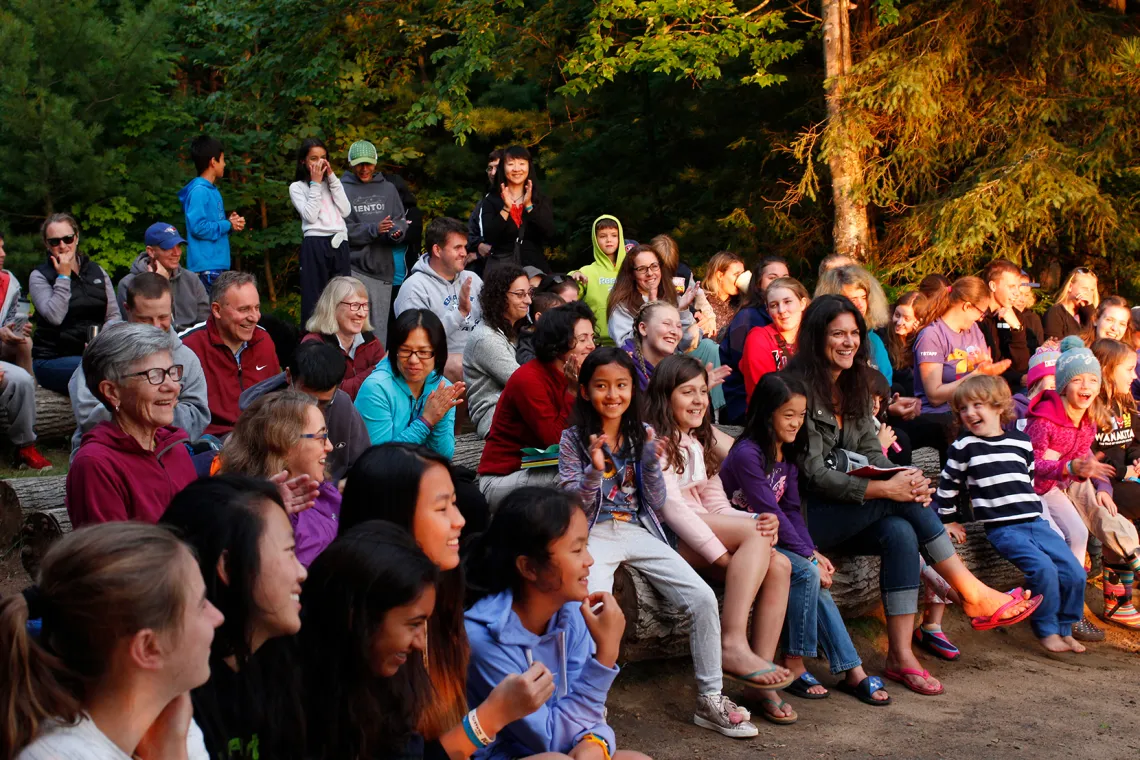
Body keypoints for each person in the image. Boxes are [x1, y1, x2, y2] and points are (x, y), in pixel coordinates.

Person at [789, 295, 1040, 697]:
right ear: (817, 337)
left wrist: (904, 476)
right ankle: (971, 592)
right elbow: (813, 474)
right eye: (838, 334)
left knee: (900, 533)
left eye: (854, 333)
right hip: (805, 518)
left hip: (849, 510)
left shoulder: (854, 384)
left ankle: (900, 655)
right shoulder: (796, 388)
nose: (849, 342)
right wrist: (887, 488)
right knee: (895, 500)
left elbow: (871, 451)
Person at [559, 347, 758, 739]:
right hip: (593, 533)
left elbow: (655, 498)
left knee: (702, 598)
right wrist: (594, 473)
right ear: (585, 391)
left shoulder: (642, 435)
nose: (613, 394)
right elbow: (571, 504)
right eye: (601, 386)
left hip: (639, 530)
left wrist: (650, 462)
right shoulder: (573, 438)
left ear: (633, 390)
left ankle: (710, 699)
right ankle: (585, 706)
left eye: (621, 385)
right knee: (591, 606)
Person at [301, 521, 553, 759]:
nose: (421, 643)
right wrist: (493, 714)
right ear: (360, 617)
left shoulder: (386, 684)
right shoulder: (298, 700)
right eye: (413, 624)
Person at [721, 372, 891, 706]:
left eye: (801, 415)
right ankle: (802, 662)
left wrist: (811, 550)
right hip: (742, 540)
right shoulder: (748, 454)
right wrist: (809, 557)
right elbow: (769, 509)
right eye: (788, 415)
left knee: (812, 572)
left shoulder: (787, 453)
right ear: (767, 413)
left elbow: (790, 510)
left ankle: (846, 667)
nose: (797, 423)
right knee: (807, 572)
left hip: (770, 536)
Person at [645, 356, 799, 725]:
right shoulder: (658, 444)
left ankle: (758, 677)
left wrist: (752, 519)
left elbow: (715, 502)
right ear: (665, 396)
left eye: (703, 391)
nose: (699, 399)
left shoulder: (697, 440)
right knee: (756, 538)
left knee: (780, 564)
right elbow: (672, 509)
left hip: (702, 527)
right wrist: (720, 557)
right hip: (671, 535)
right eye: (687, 392)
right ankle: (732, 643)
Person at [0, 522, 223, 760]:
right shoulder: (58, 756)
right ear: (148, 647)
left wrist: (173, 750)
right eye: (201, 605)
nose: (218, 617)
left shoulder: (173, 724)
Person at [464, 487, 653, 759]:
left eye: (586, 546)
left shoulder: (571, 613)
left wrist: (595, 742)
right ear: (529, 567)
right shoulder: (484, 639)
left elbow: (587, 712)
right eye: (576, 550)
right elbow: (548, 739)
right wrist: (605, 656)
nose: (589, 560)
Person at [337, 446, 491, 741]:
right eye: (442, 508)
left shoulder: (446, 590)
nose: (459, 520)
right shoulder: (363, 627)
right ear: (394, 517)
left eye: (455, 503)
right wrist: (490, 719)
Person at [935, 376, 1090, 653]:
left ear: (998, 406)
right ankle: (1047, 631)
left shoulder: (1021, 442)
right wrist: (948, 519)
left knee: (1074, 571)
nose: (969, 413)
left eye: (977, 405)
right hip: (1004, 529)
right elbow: (948, 484)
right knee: (1043, 569)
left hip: (1036, 523)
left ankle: (1066, 626)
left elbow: (1027, 477)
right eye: (963, 408)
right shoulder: (964, 446)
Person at [159, 476, 309, 760]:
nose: (302, 572)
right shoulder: (175, 699)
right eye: (290, 551)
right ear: (228, 565)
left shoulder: (285, 659)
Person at [1026, 336, 1140, 639]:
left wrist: (1088, 473)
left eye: (1092, 380)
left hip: (1052, 488)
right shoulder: (1044, 420)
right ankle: (1048, 611)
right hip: (1029, 492)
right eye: (1077, 380)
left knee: (1078, 533)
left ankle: (1072, 613)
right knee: (1054, 537)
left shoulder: (1086, 421)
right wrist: (1070, 469)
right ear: (1063, 385)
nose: (1086, 386)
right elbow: (1031, 466)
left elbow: (1082, 459)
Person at [66, 323, 198, 526]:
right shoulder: (96, 465)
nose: (173, 387)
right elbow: (110, 546)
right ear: (112, 392)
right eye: (154, 375)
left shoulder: (175, 449)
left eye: (172, 372)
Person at [71, 273, 210, 454]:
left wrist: (146, 410)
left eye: (163, 317)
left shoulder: (187, 358)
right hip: (107, 452)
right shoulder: (104, 353)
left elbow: (198, 418)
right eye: (145, 319)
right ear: (127, 309)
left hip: (168, 452)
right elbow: (87, 416)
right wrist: (156, 407)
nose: (156, 326)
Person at [478, 302, 595, 508]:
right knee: (576, 476)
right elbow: (556, 441)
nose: (592, 346)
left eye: (592, 337)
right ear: (559, 342)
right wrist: (573, 392)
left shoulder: (580, 374)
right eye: (583, 339)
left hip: (546, 468)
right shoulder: (529, 379)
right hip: (502, 478)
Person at [217, 391, 338, 566]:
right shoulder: (243, 514)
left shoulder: (323, 490)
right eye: (321, 437)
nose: (330, 446)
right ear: (284, 444)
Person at [239, 339, 371, 483]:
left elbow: (363, 465)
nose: (314, 409)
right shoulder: (261, 414)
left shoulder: (343, 406)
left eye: (323, 403)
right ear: (289, 376)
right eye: (305, 400)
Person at [912, 276, 1011, 463]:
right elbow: (934, 396)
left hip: (969, 407)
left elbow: (982, 372)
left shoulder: (973, 330)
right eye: (980, 312)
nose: (980, 318)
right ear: (967, 306)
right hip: (938, 415)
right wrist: (976, 375)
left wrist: (987, 370)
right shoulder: (932, 335)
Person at [29, 213, 119, 394]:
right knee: (99, 371)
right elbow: (55, 316)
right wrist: (63, 277)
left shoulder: (97, 271)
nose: (62, 246)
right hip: (53, 359)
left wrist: (101, 341)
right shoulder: (39, 276)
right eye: (55, 242)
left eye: (68, 239)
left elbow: (114, 315)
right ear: (47, 244)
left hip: (95, 354)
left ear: (76, 238)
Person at [181, 271, 279, 438]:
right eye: (244, 309)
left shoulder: (263, 341)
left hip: (262, 437)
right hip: (211, 442)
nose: (254, 317)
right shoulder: (188, 347)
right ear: (217, 310)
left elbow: (277, 399)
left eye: (257, 308)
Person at [355, 308, 464, 458]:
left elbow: (444, 456)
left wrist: (440, 415)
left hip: (421, 469)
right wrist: (426, 421)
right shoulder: (376, 388)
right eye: (405, 350)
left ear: (438, 354)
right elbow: (379, 460)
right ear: (394, 351)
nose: (413, 360)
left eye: (423, 352)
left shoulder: (442, 388)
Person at [395, 216, 484, 382]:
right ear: (437, 250)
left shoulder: (473, 279)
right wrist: (460, 313)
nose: (464, 253)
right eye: (457, 247)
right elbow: (417, 340)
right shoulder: (414, 288)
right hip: (437, 361)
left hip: (479, 354)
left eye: (464, 247)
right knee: (459, 365)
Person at [1090, 338, 1140, 629]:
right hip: (1103, 482)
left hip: (1124, 476)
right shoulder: (1090, 405)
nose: (1134, 376)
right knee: (1126, 508)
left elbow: (1133, 442)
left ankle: (1119, 601)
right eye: (1129, 369)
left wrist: (1136, 459)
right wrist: (1124, 472)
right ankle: (1118, 602)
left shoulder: (1125, 402)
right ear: (1108, 369)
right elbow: (1094, 455)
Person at [341, 140, 409, 342]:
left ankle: (377, 363)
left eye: (368, 164)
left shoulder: (388, 189)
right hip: (353, 269)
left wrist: (396, 232)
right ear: (351, 163)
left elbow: (399, 221)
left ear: (375, 163)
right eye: (359, 164)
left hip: (382, 269)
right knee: (353, 329)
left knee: (378, 333)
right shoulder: (342, 189)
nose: (364, 169)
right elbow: (341, 231)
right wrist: (374, 229)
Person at [289, 138, 352, 325]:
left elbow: (346, 210)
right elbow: (310, 216)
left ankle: (342, 335)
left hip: (339, 241)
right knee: (314, 296)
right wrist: (315, 184)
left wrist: (331, 178)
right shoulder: (297, 187)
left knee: (343, 296)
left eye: (323, 158)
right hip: (315, 242)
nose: (319, 163)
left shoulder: (332, 184)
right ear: (303, 161)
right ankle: (311, 338)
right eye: (313, 158)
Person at [464, 264, 530, 438]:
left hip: (521, 413)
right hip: (496, 420)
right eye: (520, 294)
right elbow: (524, 384)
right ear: (499, 297)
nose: (528, 301)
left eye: (529, 293)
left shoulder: (517, 330)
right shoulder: (486, 338)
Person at [0, 233, 48, 470]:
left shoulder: (9, 283)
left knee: (22, 370)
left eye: (2, 247)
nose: (3, 254)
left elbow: (11, 319)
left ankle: (25, 446)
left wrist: (14, 328)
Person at [719, 259, 786, 425]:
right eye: (772, 277)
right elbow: (746, 372)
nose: (779, 283)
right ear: (758, 284)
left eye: (785, 277)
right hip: (747, 408)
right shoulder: (747, 319)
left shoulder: (787, 318)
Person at [301, 275, 385, 400]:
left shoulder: (371, 342)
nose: (362, 314)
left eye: (365, 305)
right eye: (355, 305)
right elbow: (333, 393)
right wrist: (378, 369)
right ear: (333, 307)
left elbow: (386, 384)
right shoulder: (314, 346)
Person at [476, 145, 555, 276]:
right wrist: (506, 208)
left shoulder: (539, 199)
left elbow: (549, 233)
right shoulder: (491, 200)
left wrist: (529, 206)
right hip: (502, 270)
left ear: (529, 166)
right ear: (503, 168)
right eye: (511, 164)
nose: (517, 169)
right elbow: (490, 237)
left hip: (534, 267)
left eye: (522, 164)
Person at [117, 222, 210, 332]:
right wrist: (160, 284)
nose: (177, 253)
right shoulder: (129, 284)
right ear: (151, 251)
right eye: (168, 247)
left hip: (191, 339)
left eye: (178, 246)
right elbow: (132, 330)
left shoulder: (191, 279)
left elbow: (205, 323)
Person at [180, 134, 245, 287]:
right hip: (206, 269)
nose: (225, 164)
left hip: (216, 266)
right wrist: (227, 224)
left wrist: (231, 224)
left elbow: (213, 226)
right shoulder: (199, 191)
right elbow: (198, 227)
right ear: (213, 162)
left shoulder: (211, 190)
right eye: (222, 159)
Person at [815, 264, 893, 385]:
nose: (860, 305)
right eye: (853, 299)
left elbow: (886, 384)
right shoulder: (821, 341)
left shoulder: (874, 340)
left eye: (863, 297)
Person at [739, 277, 810, 402]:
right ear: (768, 311)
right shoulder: (759, 339)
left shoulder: (814, 337)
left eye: (787, 302)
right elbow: (764, 393)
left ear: (802, 303)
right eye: (774, 305)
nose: (781, 310)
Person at [979, 258, 1042, 392]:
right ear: (993, 286)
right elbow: (987, 366)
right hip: (985, 387)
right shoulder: (978, 317)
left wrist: (1016, 328)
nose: (1017, 293)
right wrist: (1018, 379)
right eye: (1011, 287)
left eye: (1018, 287)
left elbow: (1022, 365)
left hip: (1012, 387)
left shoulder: (1015, 316)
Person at [570, 215, 627, 346]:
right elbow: (566, 294)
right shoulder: (587, 272)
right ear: (595, 240)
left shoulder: (630, 270)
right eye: (602, 236)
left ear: (620, 238)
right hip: (596, 344)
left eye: (614, 235)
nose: (609, 240)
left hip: (629, 344)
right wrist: (573, 275)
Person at [649, 234, 714, 338]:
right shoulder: (646, 278)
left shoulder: (682, 274)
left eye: (669, 269)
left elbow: (698, 293)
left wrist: (709, 318)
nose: (665, 274)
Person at [467, 149, 504, 270]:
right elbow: (470, 232)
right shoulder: (485, 201)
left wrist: (480, 253)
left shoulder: (522, 198)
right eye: (490, 168)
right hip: (487, 268)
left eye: (497, 168)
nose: (493, 173)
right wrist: (478, 245)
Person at [699, 251, 746, 338]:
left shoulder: (742, 303)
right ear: (720, 275)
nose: (740, 279)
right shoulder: (701, 301)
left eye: (742, 274)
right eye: (736, 274)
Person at [1045, 267, 1098, 340]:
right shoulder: (1055, 313)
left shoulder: (1087, 313)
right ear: (1070, 287)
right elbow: (1053, 343)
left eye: (1092, 290)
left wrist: (1089, 310)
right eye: (1084, 288)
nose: (1088, 293)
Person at [515, 290, 565, 366]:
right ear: (539, 317)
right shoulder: (527, 340)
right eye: (557, 316)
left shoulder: (557, 334)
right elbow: (524, 360)